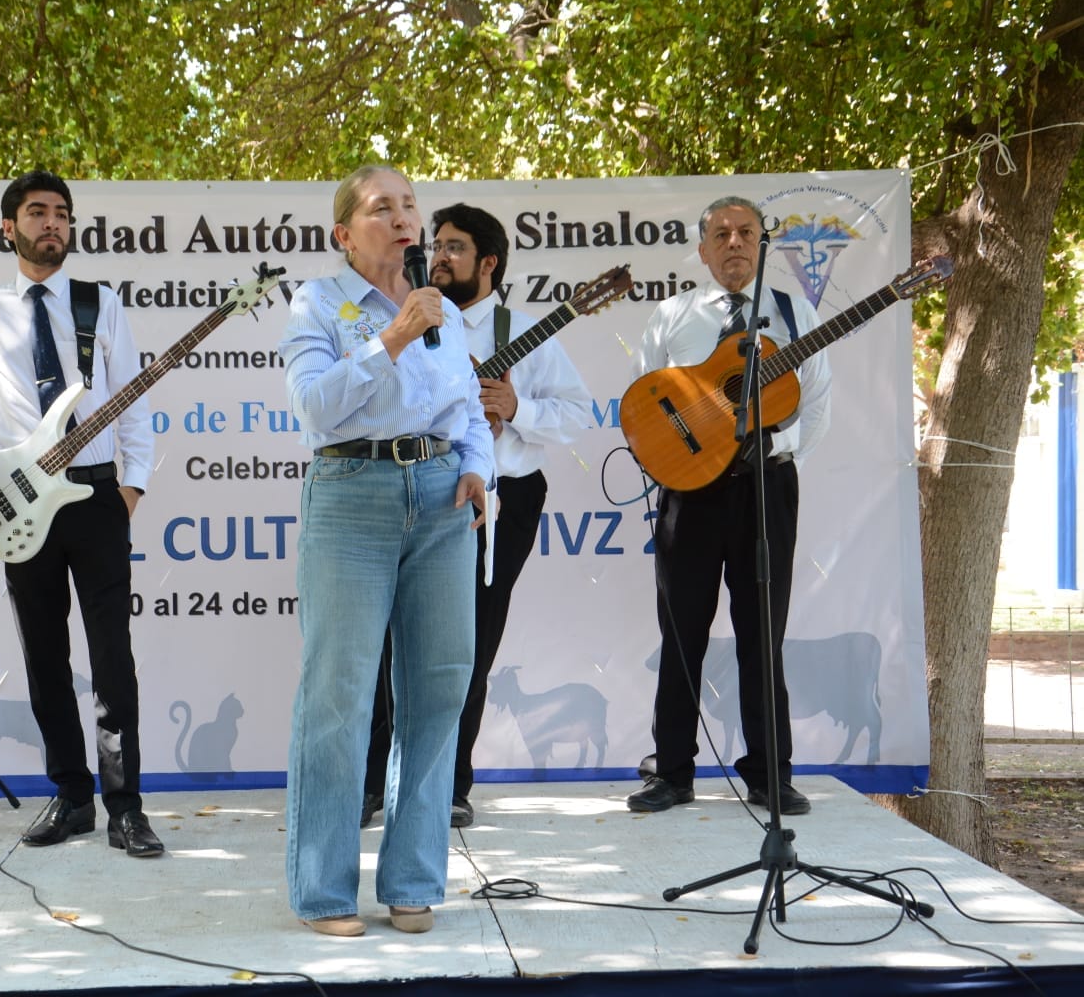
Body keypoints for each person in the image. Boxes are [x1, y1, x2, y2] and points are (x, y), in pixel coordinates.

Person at [280, 165, 493, 937]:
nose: (405, 218)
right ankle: (325, 891)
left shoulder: (446, 311)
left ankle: (413, 881)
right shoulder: (319, 303)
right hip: (352, 495)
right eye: (383, 207)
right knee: (338, 695)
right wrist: (391, 339)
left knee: (439, 690)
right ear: (345, 233)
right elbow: (316, 407)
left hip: (440, 500)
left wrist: (476, 469)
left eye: (410, 205)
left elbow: (468, 408)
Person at [0, 169, 163, 857]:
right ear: (10, 228)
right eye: (38, 213)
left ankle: (125, 806)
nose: (53, 224)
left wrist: (131, 490)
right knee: (43, 656)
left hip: (95, 498)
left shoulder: (101, 304)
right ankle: (71, 797)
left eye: (62, 213)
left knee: (112, 661)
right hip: (18, 505)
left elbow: (134, 399)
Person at [362, 203, 592, 830]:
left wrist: (517, 406)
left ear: (489, 263)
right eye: (437, 246)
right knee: (386, 641)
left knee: (468, 644)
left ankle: (448, 786)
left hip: (503, 499)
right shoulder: (410, 318)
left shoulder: (528, 331)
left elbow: (578, 414)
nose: (438, 256)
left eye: (455, 247)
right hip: (415, 491)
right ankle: (372, 780)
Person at [625, 195, 833, 816]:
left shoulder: (795, 316)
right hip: (688, 491)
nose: (735, 243)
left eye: (746, 232)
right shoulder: (671, 316)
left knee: (761, 633)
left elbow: (817, 405)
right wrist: (677, 453)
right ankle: (673, 773)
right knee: (681, 632)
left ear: (762, 243)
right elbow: (641, 404)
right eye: (722, 233)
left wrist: (774, 444)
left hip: (765, 489)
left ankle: (770, 773)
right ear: (703, 248)